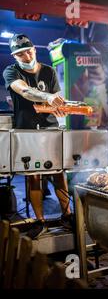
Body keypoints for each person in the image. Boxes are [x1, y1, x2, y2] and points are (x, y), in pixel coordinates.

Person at [2, 33, 75, 239]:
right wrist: (48, 97)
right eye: (20, 53)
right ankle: (39, 220)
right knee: (33, 176)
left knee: (58, 171)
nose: (26, 55)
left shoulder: (49, 71)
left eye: (28, 50)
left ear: (34, 49)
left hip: (49, 128)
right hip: (26, 130)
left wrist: (59, 108)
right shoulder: (11, 71)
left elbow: (55, 103)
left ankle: (66, 215)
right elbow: (24, 91)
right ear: (15, 56)